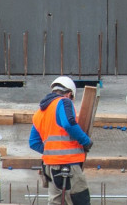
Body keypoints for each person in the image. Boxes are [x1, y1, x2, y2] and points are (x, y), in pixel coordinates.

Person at [30, 76, 93, 204]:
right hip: (68, 165)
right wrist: (86, 141)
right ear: (69, 94)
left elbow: (34, 142)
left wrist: (51, 151)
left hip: (50, 169)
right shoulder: (64, 102)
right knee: (80, 200)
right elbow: (68, 124)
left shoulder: (40, 112)